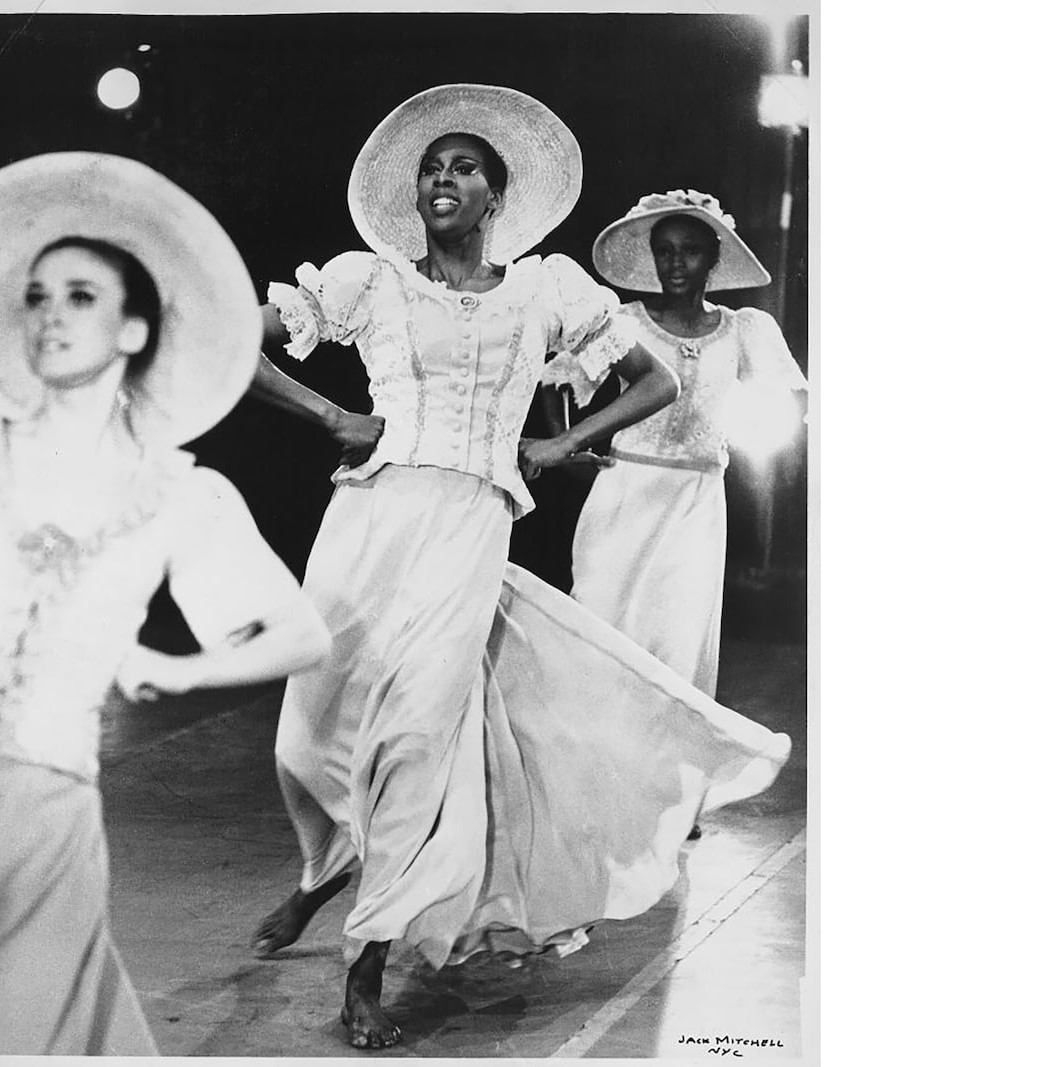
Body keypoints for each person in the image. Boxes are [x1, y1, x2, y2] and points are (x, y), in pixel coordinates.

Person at [245, 85, 794, 1051]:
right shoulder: (366, 281)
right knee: (310, 738)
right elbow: (234, 343)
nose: (442, 179)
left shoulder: (547, 290)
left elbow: (656, 379)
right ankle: (319, 875)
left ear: (497, 195)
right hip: (368, 525)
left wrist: (559, 444)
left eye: (463, 168)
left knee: (419, 737)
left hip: (469, 524)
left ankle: (365, 964)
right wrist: (331, 415)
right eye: (432, 167)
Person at [0, 152, 332, 1055]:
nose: (49, 315)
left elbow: (300, 633)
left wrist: (180, 665)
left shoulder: (177, 496)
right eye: (36, 296)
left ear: (133, 331)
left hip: (44, 815)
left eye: (81, 296)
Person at [552, 190, 807, 698]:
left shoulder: (744, 329)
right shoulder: (623, 322)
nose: (675, 262)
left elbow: (787, 406)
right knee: (600, 630)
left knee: (676, 643)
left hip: (696, 504)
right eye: (664, 250)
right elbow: (560, 378)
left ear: (713, 257)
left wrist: (740, 434)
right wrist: (568, 446)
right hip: (622, 496)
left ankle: (657, 776)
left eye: (689, 250)